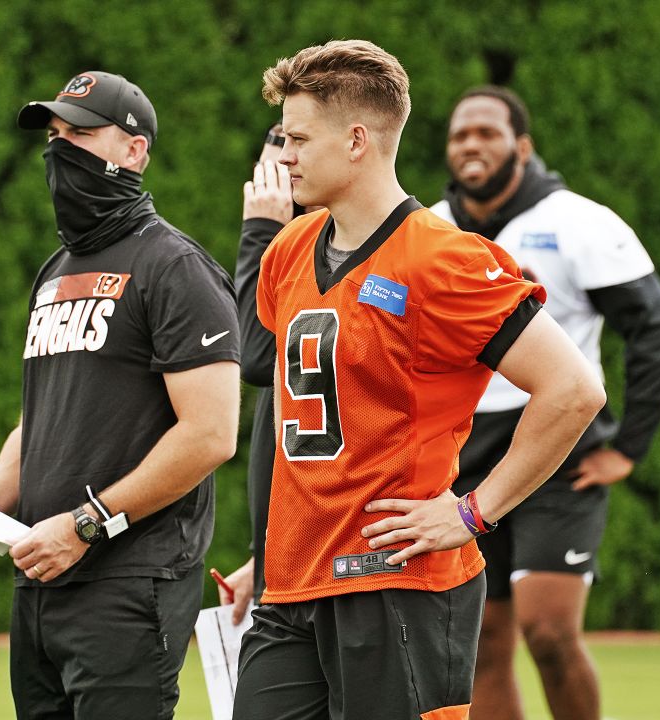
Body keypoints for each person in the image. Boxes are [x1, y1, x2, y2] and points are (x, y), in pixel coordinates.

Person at [232, 40, 606, 719]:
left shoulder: (445, 260)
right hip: (290, 590)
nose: (282, 157)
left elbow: (574, 389)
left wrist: (473, 510)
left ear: (355, 141)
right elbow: (279, 407)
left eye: (296, 139)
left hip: (393, 584)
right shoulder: (288, 248)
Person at [0, 70, 241, 720]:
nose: (60, 151)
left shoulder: (174, 267)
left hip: (129, 580)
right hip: (42, 578)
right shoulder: (55, 272)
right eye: (54, 135)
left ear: (134, 151)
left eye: (79, 134)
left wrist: (85, 524)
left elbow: (212, 433)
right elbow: (46, 415)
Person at [428, 87, 660, 720]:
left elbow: (657, 330)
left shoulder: (577, 222)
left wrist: (628, 449)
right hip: (462, 454)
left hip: (555, 446)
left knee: (548, 631)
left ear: (522, 145)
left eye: (486, 132)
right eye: (460, 135)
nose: (471, 145)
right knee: (480, 639)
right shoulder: (427, 228)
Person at [216, 126, 295, 622]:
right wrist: (259, 560)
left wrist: (262, 232)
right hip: (285, 561)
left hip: (333, 571)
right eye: (262, 176)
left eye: (280, 173)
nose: (268, 190)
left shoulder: (329, 257)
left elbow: (259, 358)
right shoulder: (296, 264)